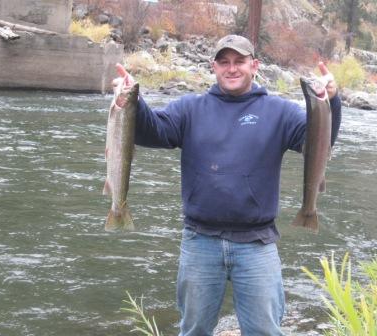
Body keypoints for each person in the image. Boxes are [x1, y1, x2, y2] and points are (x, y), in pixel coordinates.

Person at [113, 34, 341, 336]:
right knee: (193, 330)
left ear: (254, 66)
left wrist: (332, 102)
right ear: (214, 67)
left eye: (239, 62)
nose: (231, 69)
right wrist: (132, 101)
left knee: (265, 331)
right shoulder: (189, 109)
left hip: (257, 243)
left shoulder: (279, 111)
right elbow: (151, 131)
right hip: (200, 241)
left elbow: (319, 141)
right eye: (224, 63)